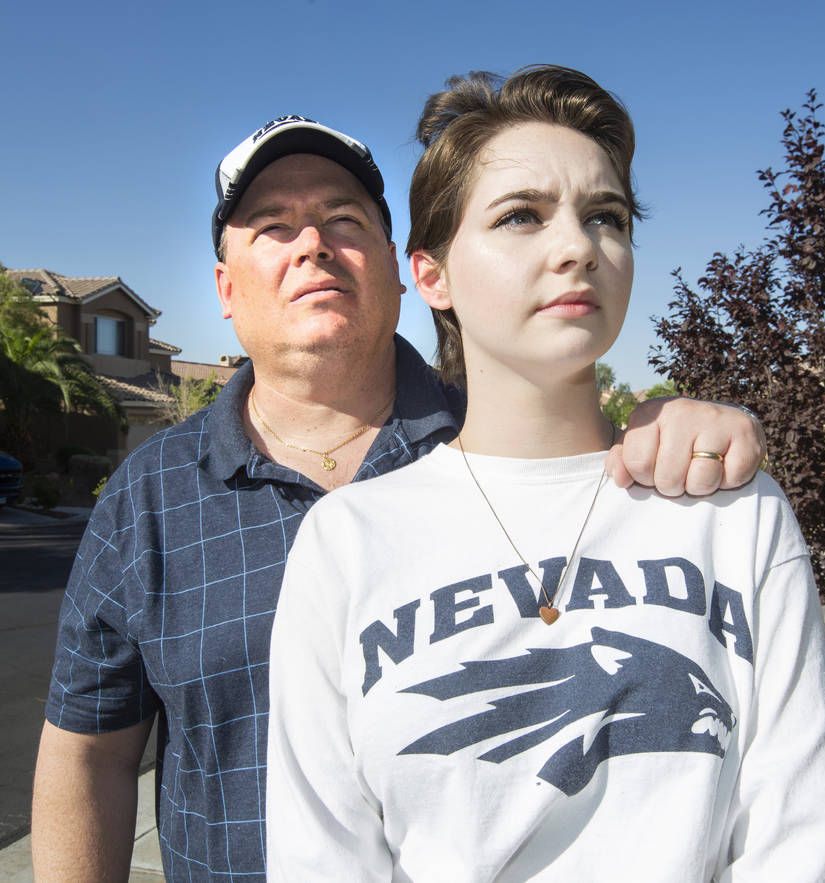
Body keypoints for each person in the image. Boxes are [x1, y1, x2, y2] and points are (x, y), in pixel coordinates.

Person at [30, 113, 768, 881]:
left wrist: (681, 432)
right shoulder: (146, 499)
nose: (312, 244)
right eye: (273, 229)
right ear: (224, 287)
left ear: (397, 265)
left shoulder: (501, 445)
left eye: (342, 220)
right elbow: (89, 760)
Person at [266, 67, 825, 881]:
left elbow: (805, 845)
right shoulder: (346, 542)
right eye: (521, 216)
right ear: (431, 275)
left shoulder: (731, 508)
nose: (578, 247)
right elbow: (321, 856)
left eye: (607, 218)